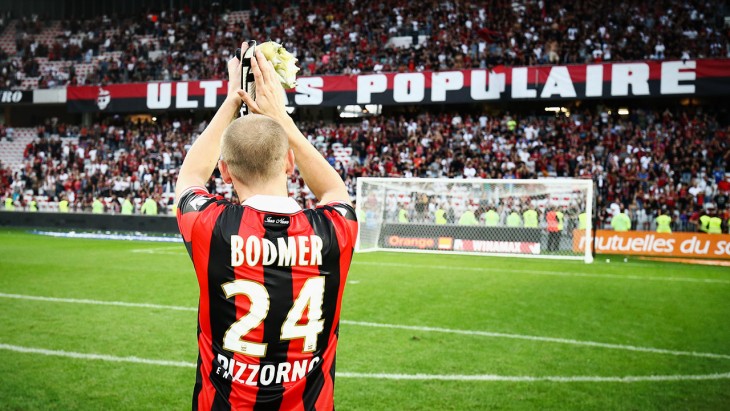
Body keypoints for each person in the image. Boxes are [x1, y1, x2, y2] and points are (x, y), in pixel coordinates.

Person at [175, 42, 357, 410]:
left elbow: (191, 175)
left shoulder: (212, 227)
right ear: (290, 162)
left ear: (225, 172)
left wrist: (233, 98)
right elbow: (334, 190)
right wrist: (283, 120)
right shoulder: (334, 231)